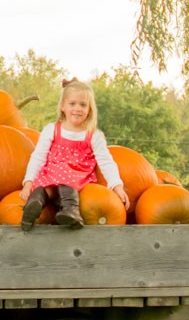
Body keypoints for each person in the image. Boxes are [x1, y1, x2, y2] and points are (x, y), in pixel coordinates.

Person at [19, 77, 129, 230]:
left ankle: (56, 206)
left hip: (76, 179)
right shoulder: (52, 129)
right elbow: (38, 156)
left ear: (90, 109)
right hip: (51, 175)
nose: (78, 108)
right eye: (72, 104)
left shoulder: (93, 135)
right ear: (63, 106)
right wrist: (28, 181)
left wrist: (117, 185)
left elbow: (106, 161)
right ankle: (40, 205)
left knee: (62, 180)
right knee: (48, 185)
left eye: (83, 105)